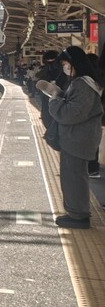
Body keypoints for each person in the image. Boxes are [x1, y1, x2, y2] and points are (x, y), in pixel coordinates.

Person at [42, 46, 102, 228]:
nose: (65, 68)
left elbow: (71, 114)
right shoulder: (86, 82)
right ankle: (76, 213)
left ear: (73, 63)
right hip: (79, 138)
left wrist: (54, 99)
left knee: (74, 178)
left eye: (65, 64)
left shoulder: (82, 84)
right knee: (74, 177)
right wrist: (60, 94)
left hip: (77, 140)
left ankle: (78, 216)